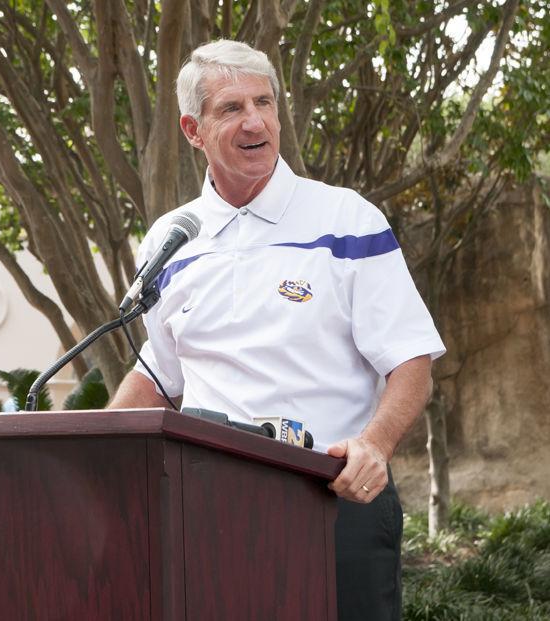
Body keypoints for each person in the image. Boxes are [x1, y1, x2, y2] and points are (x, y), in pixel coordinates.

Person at [109, 39, 445, 620]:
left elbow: (411, 361)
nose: (255, 121)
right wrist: (92, 459)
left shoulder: (347, 219)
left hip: (335, 499)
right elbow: (159, 375)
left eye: (264, 103)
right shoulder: (173, 237)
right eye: (231, 108)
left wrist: (376, 445)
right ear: (193, 130)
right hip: (206, 508)